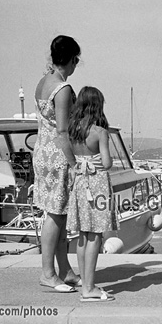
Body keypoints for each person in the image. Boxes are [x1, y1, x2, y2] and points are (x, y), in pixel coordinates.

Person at [34, 35, 81, 293]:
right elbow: (63, 132)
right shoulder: (62, 89)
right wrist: (74, 164)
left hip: (42, 152)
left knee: (59, 214)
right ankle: (48, 273)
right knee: (54, 215)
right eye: (76, 60)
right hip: (58, 156)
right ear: (71, 60)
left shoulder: (43, 82)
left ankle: (64, 270)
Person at [67, 86, 119, 302]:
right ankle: (89, 289)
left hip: (79, 183)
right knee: (95, 235)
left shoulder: (73, 131)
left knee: (82, 235)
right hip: (96, 185)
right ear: (98, 106)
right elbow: (106, 163)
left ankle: (85, 284)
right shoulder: (100, 132)